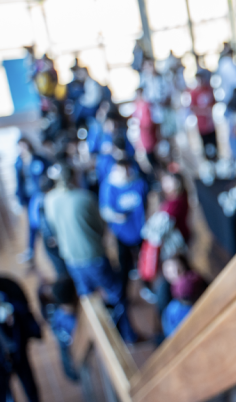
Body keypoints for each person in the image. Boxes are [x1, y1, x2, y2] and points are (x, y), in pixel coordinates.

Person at [45, 164, 137, 343]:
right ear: (73, 177)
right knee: (117, 294)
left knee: (88, 298)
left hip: (71, 258)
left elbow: (53, 228)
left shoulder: (49, 199)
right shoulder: (84, 198)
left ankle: (102, 338)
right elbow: (100, 227)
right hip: (93, 255)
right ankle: (127, 335)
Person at [0, 276, 50, 402]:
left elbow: (25, 308)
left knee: (30, 386)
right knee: (4, 394)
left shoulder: (8, 285)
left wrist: (12, 312)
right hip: (2, 359)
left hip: (17, 348)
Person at [99, 158, 149, 285]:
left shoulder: (139, 182)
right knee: (124, 261)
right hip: (122, 232)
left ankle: (146, 281)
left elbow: (147, 201)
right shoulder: (109, 186)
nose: (126, 172)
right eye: (122, 170)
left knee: (145, 257)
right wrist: (116, 216)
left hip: (141, 228)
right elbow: (105, 210)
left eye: (128, 169)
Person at [15, 138, 48, 263]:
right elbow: (19, 183)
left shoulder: (38, 159)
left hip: (41, 195)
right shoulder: (18, 163)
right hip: (29, 198)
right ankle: (30, 251)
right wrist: (19, 199)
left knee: (43, 222)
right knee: (32, 224)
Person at [39, 279, 78, 382]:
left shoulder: (58, 313)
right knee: (64, 353)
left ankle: (71, 374)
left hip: (64, 338)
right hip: (66, 340)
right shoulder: (70, 320)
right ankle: (71, 374)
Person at [159, 256, 207, 339]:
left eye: (174, 267)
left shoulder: (187, 282)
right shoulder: (168, 290)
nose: (172, 272)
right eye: (167, 271)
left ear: (182, 265)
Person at [188, 69, 218, 161]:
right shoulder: (193, 93)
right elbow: (192, 108)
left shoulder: (208, 89)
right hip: (202, 124)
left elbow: (213, 102)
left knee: (214, 143)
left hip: (211, 123)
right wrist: (203, 111)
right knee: (206, 144)